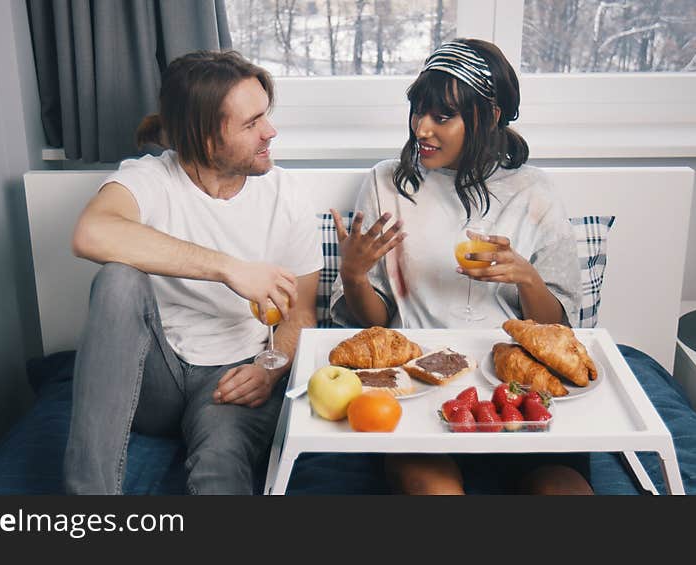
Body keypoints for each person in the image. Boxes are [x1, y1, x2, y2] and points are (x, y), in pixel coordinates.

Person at [329, 39, 593, 495]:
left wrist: (526, 277)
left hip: (515, 390)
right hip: (418, 395)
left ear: (490, 116)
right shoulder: (386, 183)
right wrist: (354, 275)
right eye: (418, 112)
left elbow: (556, 333)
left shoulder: (534, 192)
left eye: (442, 116)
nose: (422, 129)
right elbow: (373, 325)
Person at [64, 50, 323, 495]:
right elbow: (91, 233)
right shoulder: (149, 179)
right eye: (251, 124)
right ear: (205, 139)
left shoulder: (288, 195)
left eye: (266, 115)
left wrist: (271, 367)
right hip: (155, 377)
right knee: (117, 280)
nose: (270, 132)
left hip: (234, 376)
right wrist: (228, 269)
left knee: (219, 470)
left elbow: (301, 314)